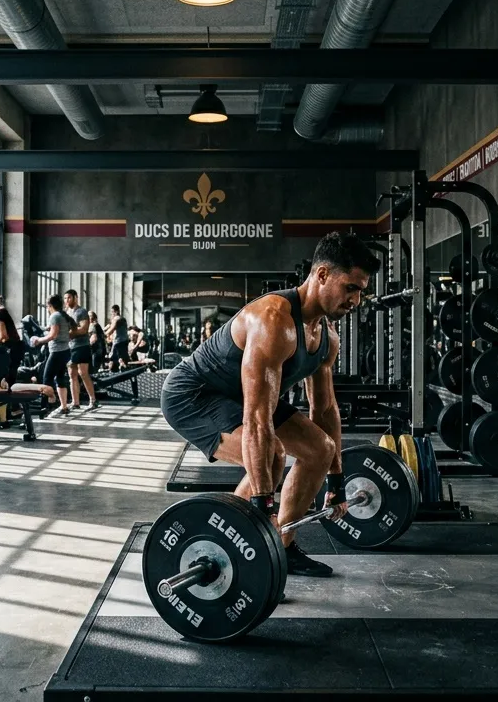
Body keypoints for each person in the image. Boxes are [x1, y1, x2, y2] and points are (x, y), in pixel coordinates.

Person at [160, 232, 380, 578]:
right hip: (194, 395)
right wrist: (263, 506)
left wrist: (336, 481)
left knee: (319, 449)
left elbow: (324, 410)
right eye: (351, 287)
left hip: (245, 396)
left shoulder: (326, 337)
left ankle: (282, 546)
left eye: (361, 291)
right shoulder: (273, 320)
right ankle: (227, 545)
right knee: (272, 456)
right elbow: (257, 419)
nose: (356, 299)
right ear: (322, 275)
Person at [28, 294, 74, 417]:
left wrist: (39, 340)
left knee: (46, 378)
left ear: (49, 306)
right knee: (60, 379)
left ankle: (45, 408)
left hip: (57, 352)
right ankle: (64, 407)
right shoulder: (63, 316)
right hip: (65, 351)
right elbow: (55, 330)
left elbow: (53, 335)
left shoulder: (54, 316)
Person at [64, 289, 98, 410]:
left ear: (75, 297)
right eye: (65, 298)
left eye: (69, 298)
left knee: (83, 373)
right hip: (70, 347)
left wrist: (69, 334)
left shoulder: (81, 312)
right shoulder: (66, 313)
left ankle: (93, 400)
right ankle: (75, 402)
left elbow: (83, 329)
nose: (66, 300)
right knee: (71, 374)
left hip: (82, 346)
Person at [107, 305, 131, 371]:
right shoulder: (123, 319)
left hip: (118, 341)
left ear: (116, 311)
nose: (111, 314)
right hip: (125, 340)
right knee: (121, 356)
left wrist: (105, 334)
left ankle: (111, 370)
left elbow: (112, 328)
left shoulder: (116, 318)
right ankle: (123, 366)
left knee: (113, 358)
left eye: (112, 312)